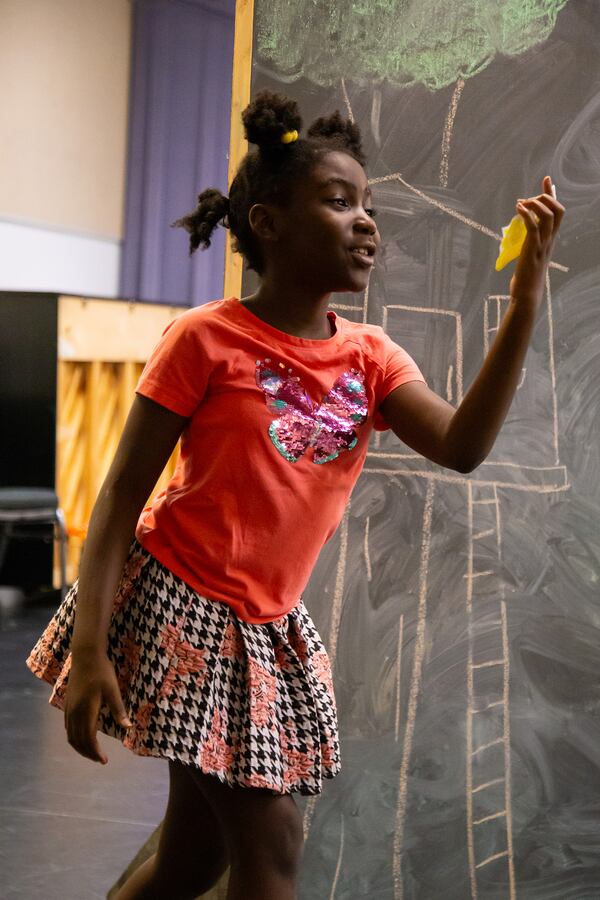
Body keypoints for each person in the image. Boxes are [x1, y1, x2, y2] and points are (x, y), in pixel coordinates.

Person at [26, 90, 564, 900]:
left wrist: (523, 304)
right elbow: (117, 501)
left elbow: (462, 447)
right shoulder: (206, 338)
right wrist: (94, 651)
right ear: (269, 223)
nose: (365, 221)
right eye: (339, 201)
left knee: (193, 860)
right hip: (179, 602)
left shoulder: (372, 357)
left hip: (264, 624)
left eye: (370, 206)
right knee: (272, 839)